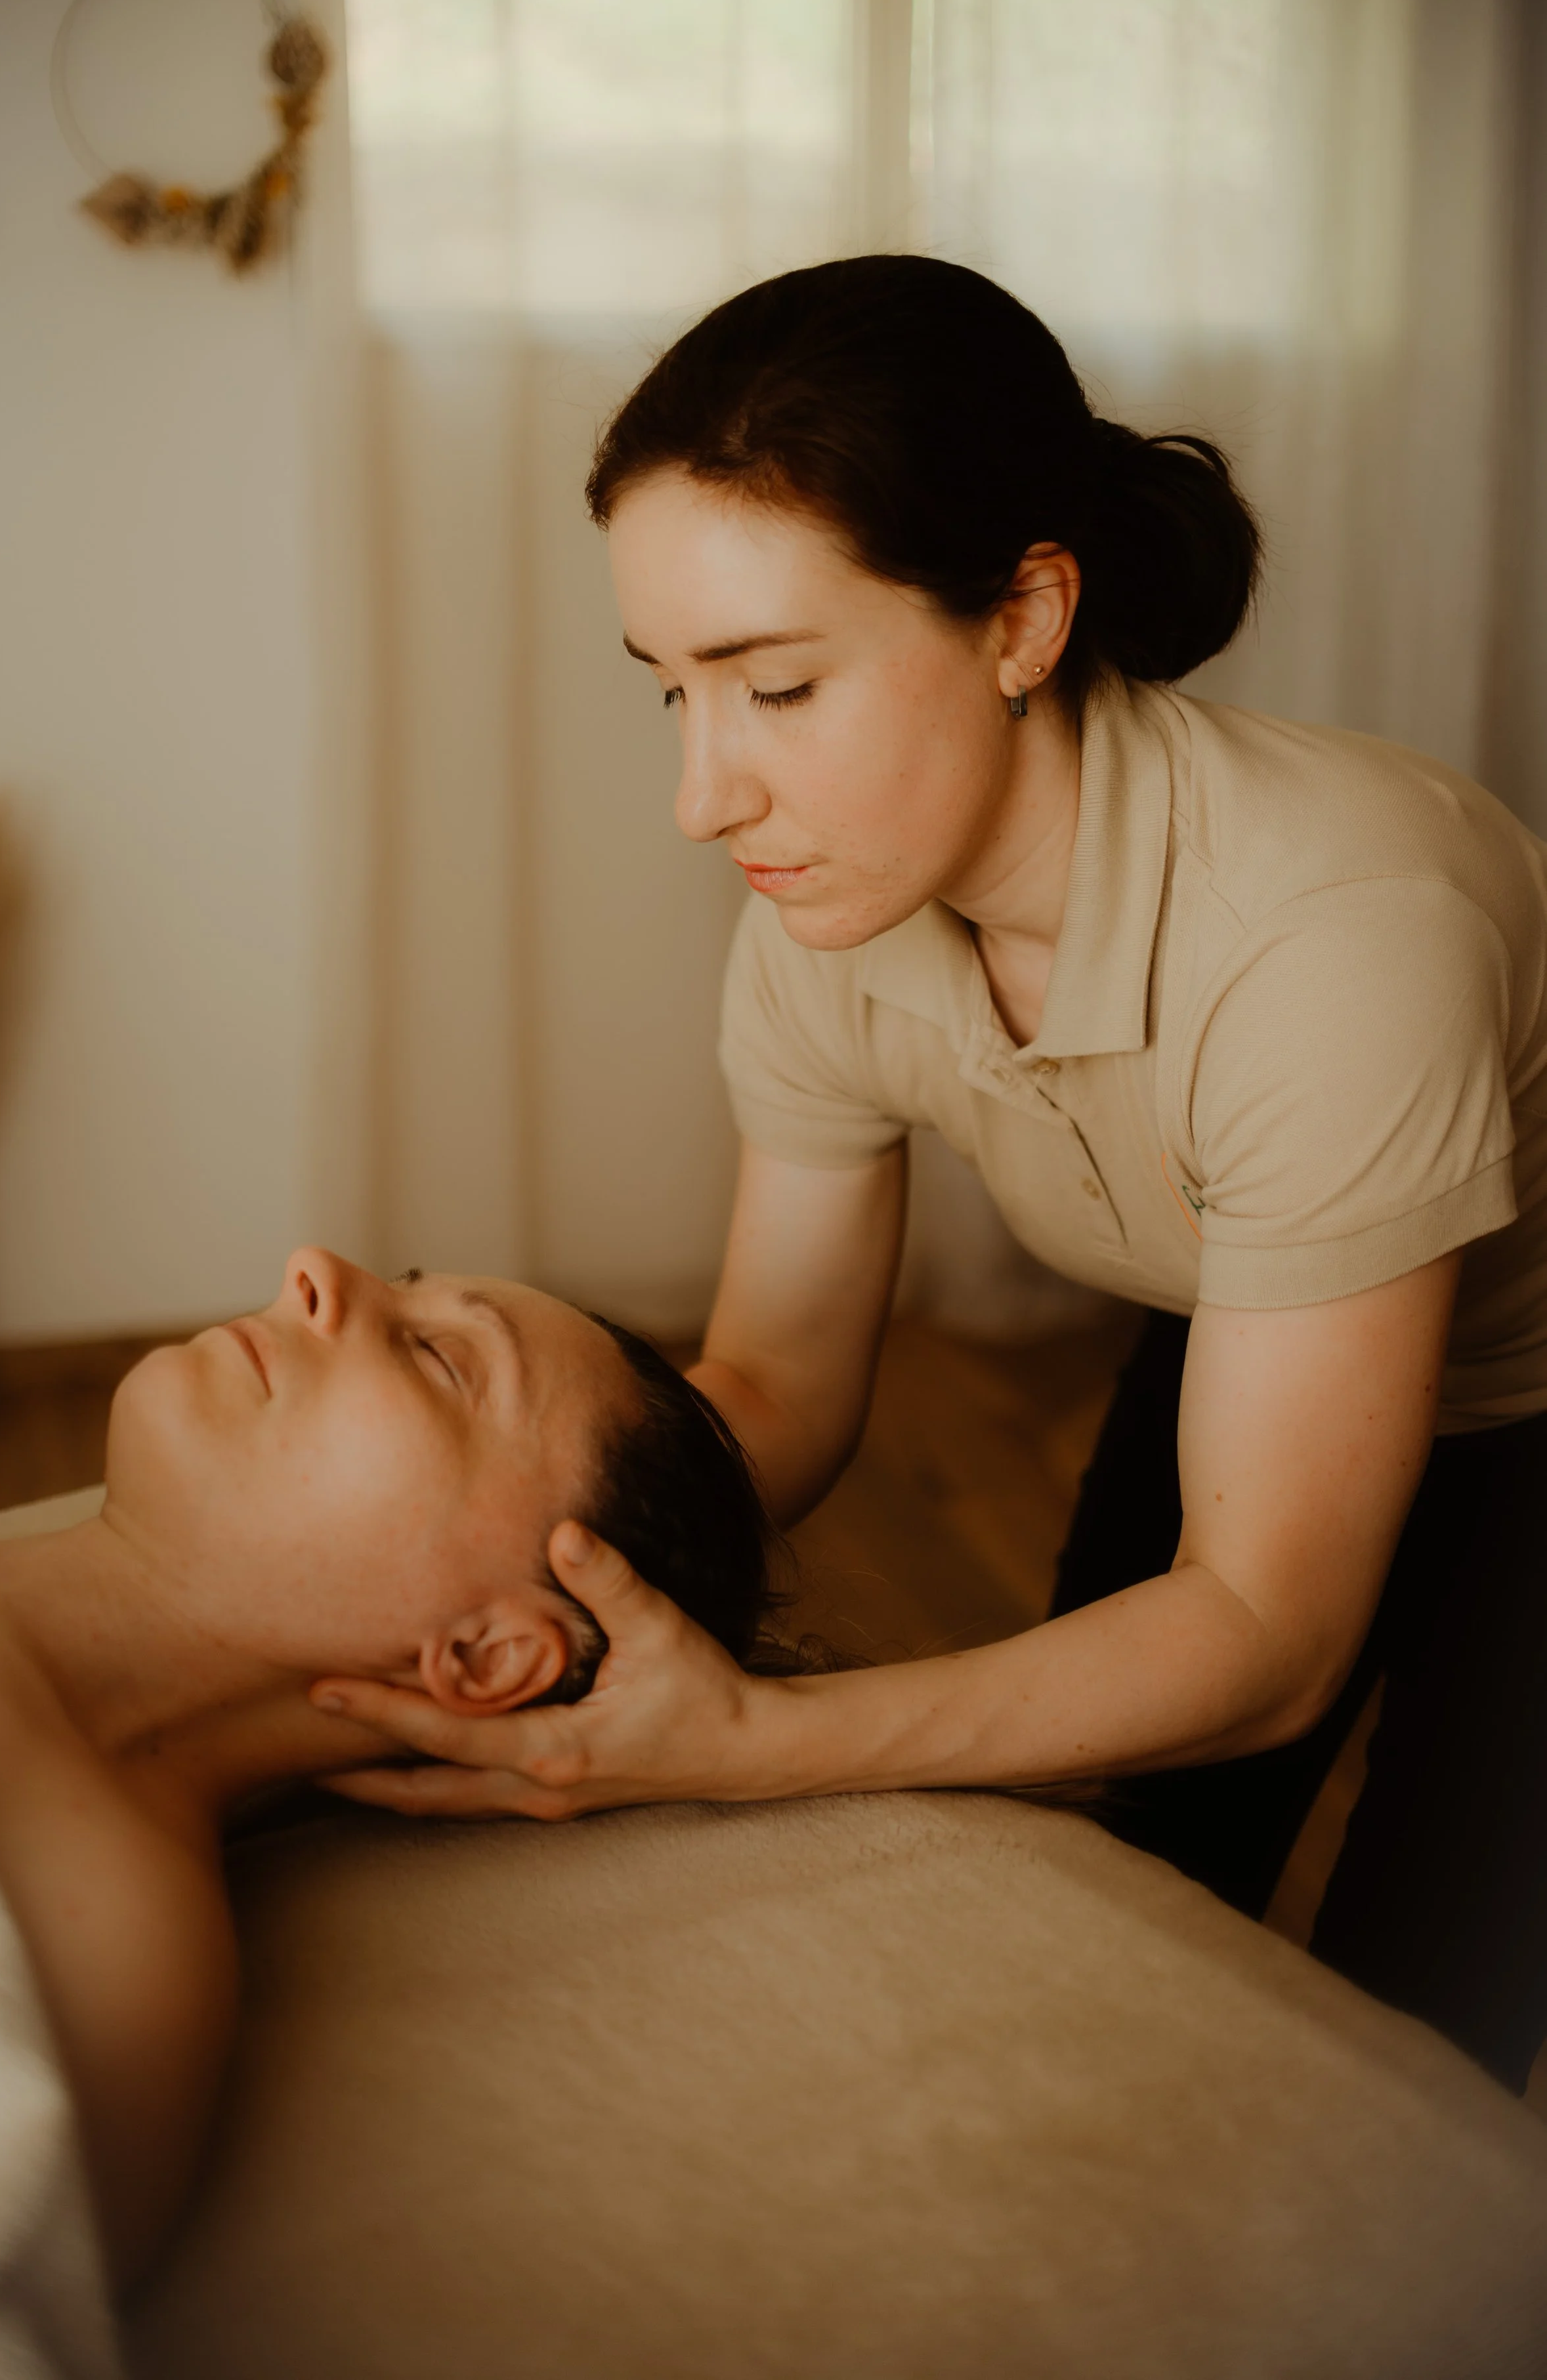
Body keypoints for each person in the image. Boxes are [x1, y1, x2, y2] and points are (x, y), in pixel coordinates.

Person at [311, 255, 1547, 2098]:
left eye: (777, 684)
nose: (703, 797)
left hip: (1532, 1408)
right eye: (671, 693)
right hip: (1239, 1316)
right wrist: (446, 1578)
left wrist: (748, 1737)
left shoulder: (1333, 937)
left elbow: (1264, 1634)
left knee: (1413, 2034)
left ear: (1023, 617)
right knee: (1135, 1924)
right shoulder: (827, 919)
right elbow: (777, 1386)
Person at [0, 1247, 773, 2286]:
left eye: (440, 1358)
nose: (316, 1268)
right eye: (403, 1282)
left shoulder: (104, 1960)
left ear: (484, 1656)